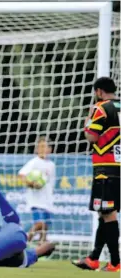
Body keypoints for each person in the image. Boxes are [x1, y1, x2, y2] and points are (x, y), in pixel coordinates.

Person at [72, 77, 120, 272]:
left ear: (99, 91)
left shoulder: (101, 108)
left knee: (108, 213)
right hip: (118, 166)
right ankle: (93, 258)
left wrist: (87, 121)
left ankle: (116, 262)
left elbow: (92, 136)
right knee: (104, 211)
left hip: (105, 167)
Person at [18, 137, 56, 243]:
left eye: (45, 147)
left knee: (45, 228)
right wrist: (31, 184)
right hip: (36, 200)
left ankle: (41, 248)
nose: (43, 149)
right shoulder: (34, 162)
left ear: (50, 149)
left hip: (47, 200)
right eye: (40, 147)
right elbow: (21, 175)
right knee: (40, 224)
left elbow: (49, 183)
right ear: (36, 149)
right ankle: (23, 243)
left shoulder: (51, 165)